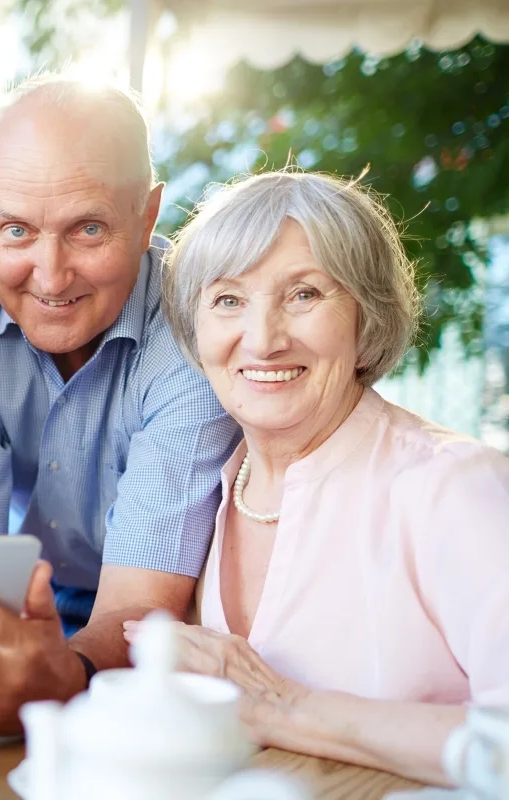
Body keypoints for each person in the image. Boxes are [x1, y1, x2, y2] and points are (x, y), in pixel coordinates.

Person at [140, 169, 509, 785]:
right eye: (228, 300)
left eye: (304, 294)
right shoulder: (208, 485)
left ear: (367, 320)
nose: (262, 340)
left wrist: (281, 707)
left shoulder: (456, 488)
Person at [0, 77, 240, 734]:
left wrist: (63, 673)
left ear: (147, 216)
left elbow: (144, 610)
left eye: (87, 229)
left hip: (180, 623)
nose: (51, 278)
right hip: (43, 598)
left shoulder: (200, 331)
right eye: (17, 230)